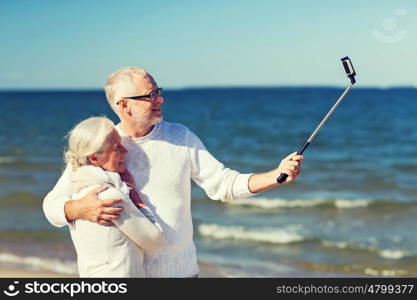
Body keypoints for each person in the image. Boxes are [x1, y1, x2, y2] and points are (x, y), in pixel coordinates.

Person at [43, 67, 304, 277]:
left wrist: (277, 175)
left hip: (182, 273)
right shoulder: (101, 145)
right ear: (124, 105)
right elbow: (52, 205)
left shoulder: (180, 136)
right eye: (149, 95)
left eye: (158, 91)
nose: (159, 99)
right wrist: (77, 209)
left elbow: (223, 185)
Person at [63, 116, 163, 277]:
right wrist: (135, 194)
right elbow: (156, 241)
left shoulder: (79, 194)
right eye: (117, 147)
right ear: (94, 158)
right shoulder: (111, 197)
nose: (125, 151)